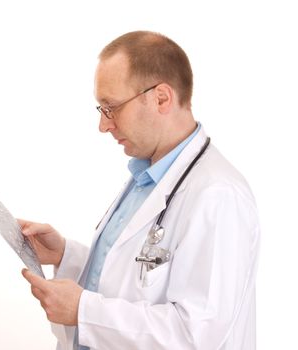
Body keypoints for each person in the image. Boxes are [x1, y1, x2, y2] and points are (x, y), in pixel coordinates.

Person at [20, 31, 260, 350]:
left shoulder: (218, 195)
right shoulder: (147, 176)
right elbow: (133, 280)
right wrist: (64, 254)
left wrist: (84, 311)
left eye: (112, 107)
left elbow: (197, 336)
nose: (103, 126)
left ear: (161, 98)